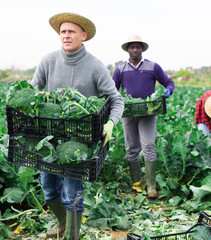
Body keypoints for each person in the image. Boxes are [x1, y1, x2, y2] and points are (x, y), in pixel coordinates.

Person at [30, 12, 124, 239]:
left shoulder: (95, 66)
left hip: (79, 140)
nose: (66, 36)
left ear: (83, 35)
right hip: (49, 139)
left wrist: (111, 122)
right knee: (48, 188)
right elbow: (31, 91)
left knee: (72, 193)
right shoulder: (47, 61)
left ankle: (73, 235)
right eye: (63, 31)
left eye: (71, 31)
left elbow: (116, 99)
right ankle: (62, 224)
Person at [112, 34, 175, 198]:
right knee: (131, 148)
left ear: (142, 49)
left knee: (148, 146)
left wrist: (169, 90)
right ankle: (137, 184)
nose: (134, 50)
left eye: (137, 47)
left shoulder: (153, 67)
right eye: (131, 47)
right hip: (129, 113)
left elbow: (169, 82)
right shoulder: (120, 69)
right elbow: (112, 90)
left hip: (148, 112)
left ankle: (151, 186)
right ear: (127, 49)